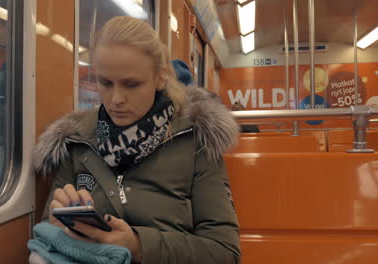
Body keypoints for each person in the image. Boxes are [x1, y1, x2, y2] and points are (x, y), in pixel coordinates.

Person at [32, 16, 240, 263]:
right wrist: (59, 225)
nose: (116, 99)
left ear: (160, 78)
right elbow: (47, 233)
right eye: (105, 83)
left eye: (131, 84)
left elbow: (224, 252)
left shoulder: (196, 141)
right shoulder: (77, 140)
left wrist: (139, 246)